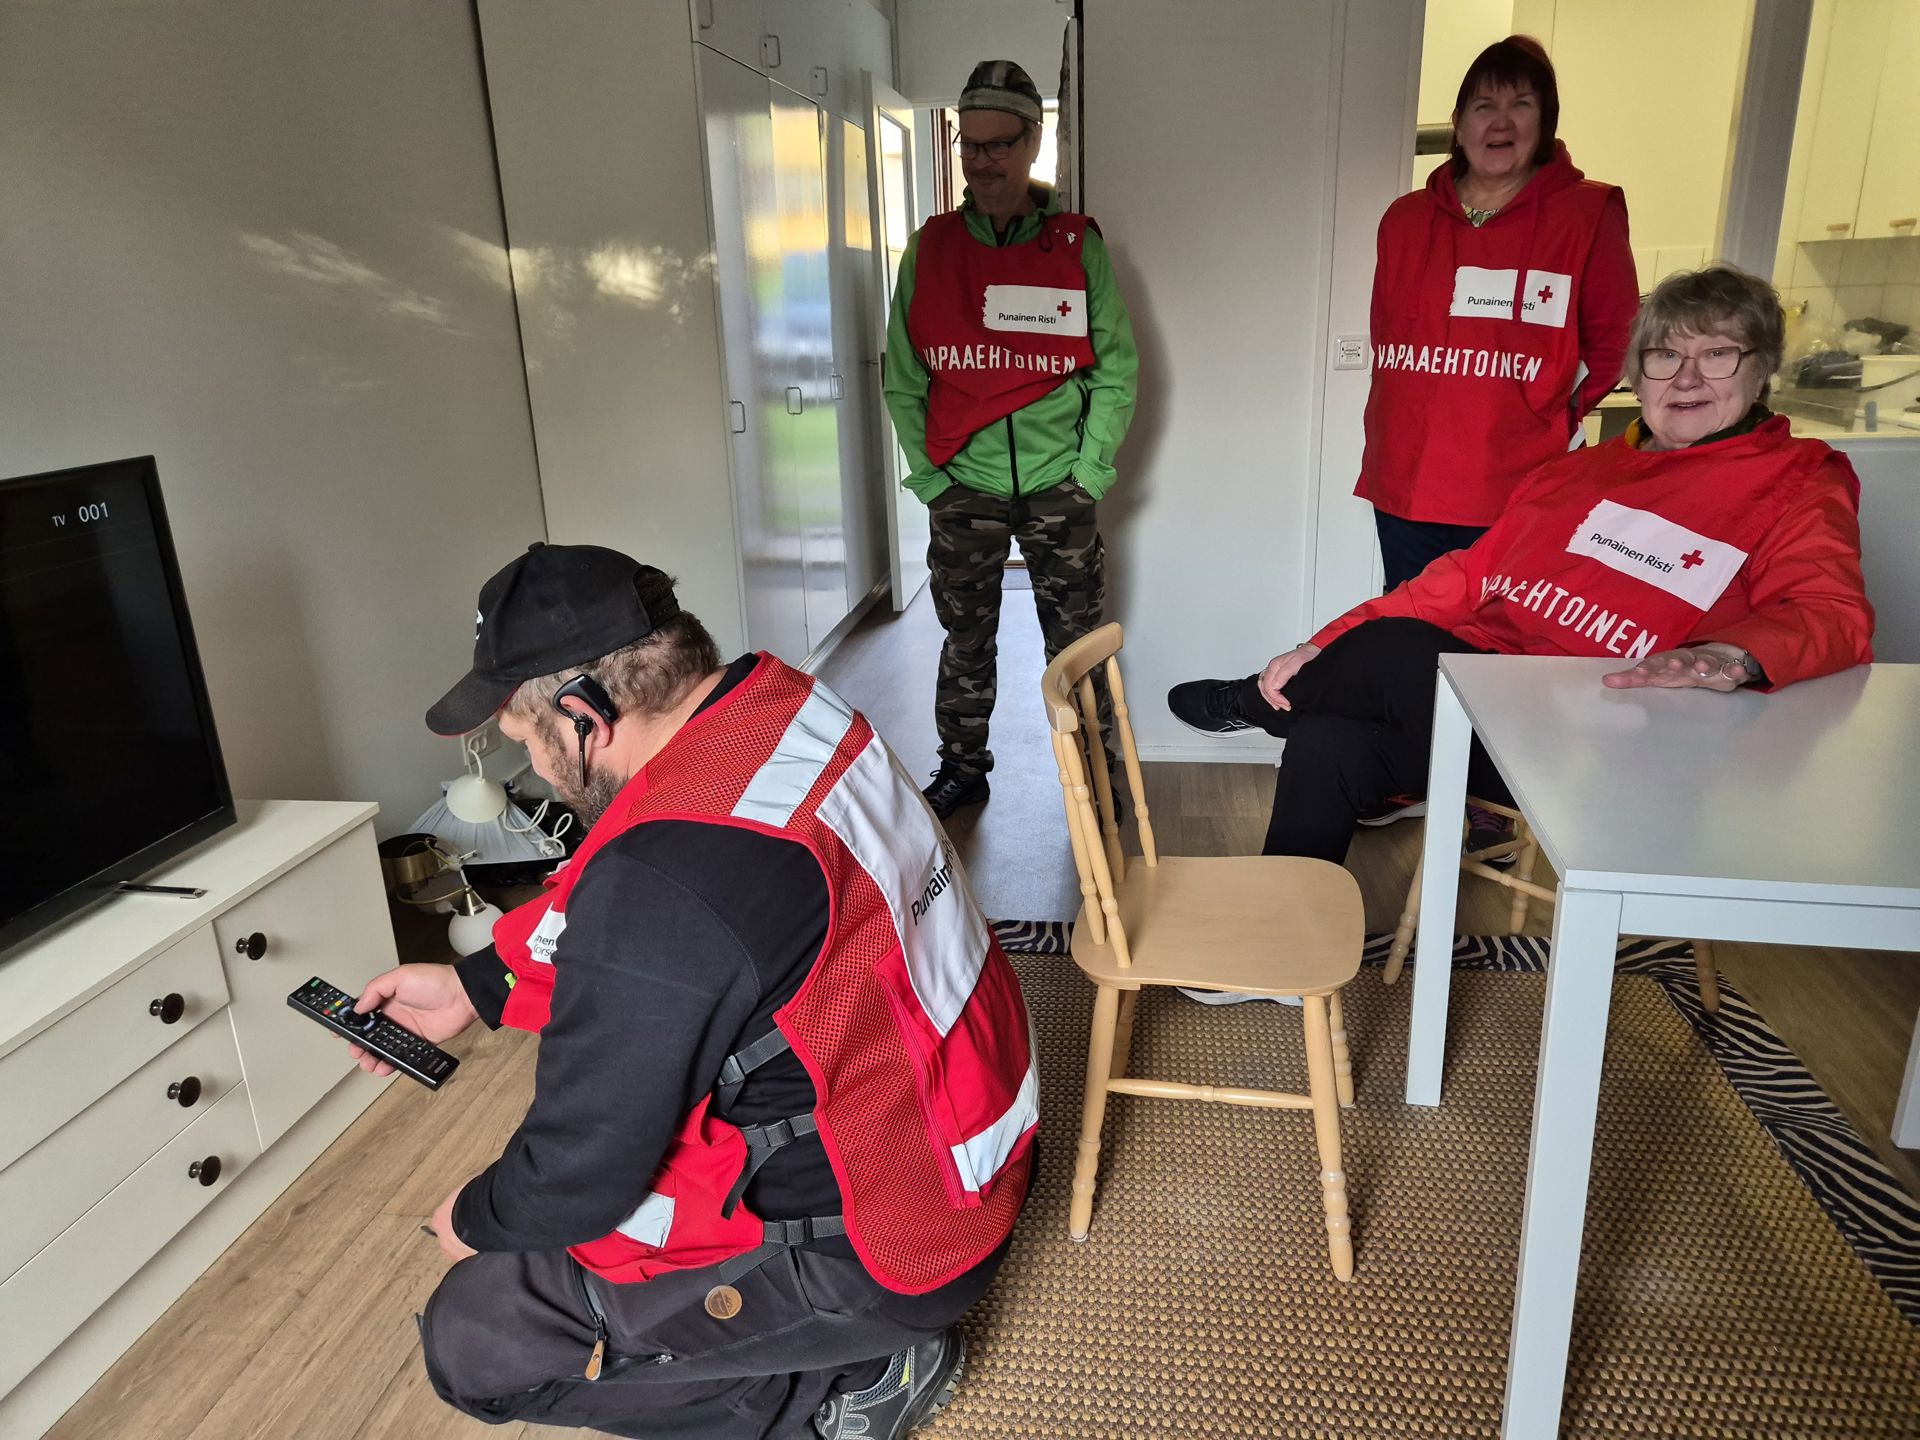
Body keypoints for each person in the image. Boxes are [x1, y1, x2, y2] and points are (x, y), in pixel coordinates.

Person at [341, 543, 1038, 1440]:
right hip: (964, 1149)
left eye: (527, 743)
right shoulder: (781, 712)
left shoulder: (668, 880)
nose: (536, 772)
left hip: (890, 1251)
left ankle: (851, 1380)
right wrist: (474, 986)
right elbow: (646, 917)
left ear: (583, 714)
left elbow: (582, 1165)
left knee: (477, 1339)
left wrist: (479, 1217)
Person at [1169, 266, 1875, 865]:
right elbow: (1460, 582)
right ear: (1637, 372)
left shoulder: (1800, 479)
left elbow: (1830, 613)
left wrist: (1732, 655)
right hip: (1492, 716)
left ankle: (1255, 707)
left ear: (1762, 368)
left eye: (1718, 354)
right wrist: (1317, 644)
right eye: (1664, 356)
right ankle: (1282, 940)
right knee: (1329, 735)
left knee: (1400, 652)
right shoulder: (1576, 473)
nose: (1687, 378)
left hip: (1609, 742)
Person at [883, 58, 1138, 820]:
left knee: (1079, 646)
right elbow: (903, 377)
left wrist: (1090, 472)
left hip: (1062, 485)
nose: (984, 162)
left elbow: (1116, 368)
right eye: (971, 144)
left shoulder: (1074, 244)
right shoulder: (930, 249)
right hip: (966, 485)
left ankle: (1097, 773)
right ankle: (963, 768)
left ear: (1033, 145)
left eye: (1000, 145)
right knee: (967, 641)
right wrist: (931, 479)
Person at [1360, 35, 1638, 590]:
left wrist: (1551, 412)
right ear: (1460, 124)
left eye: (1521, 105)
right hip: (1406, 479)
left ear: (1546, 122)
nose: (1500, 122)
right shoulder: (1406, 219)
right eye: (1484, 107)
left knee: (1498, 639)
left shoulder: (1586, 214)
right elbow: (1387, 334)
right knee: (1406, 633)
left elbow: (1617, 343)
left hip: (1517, 481)